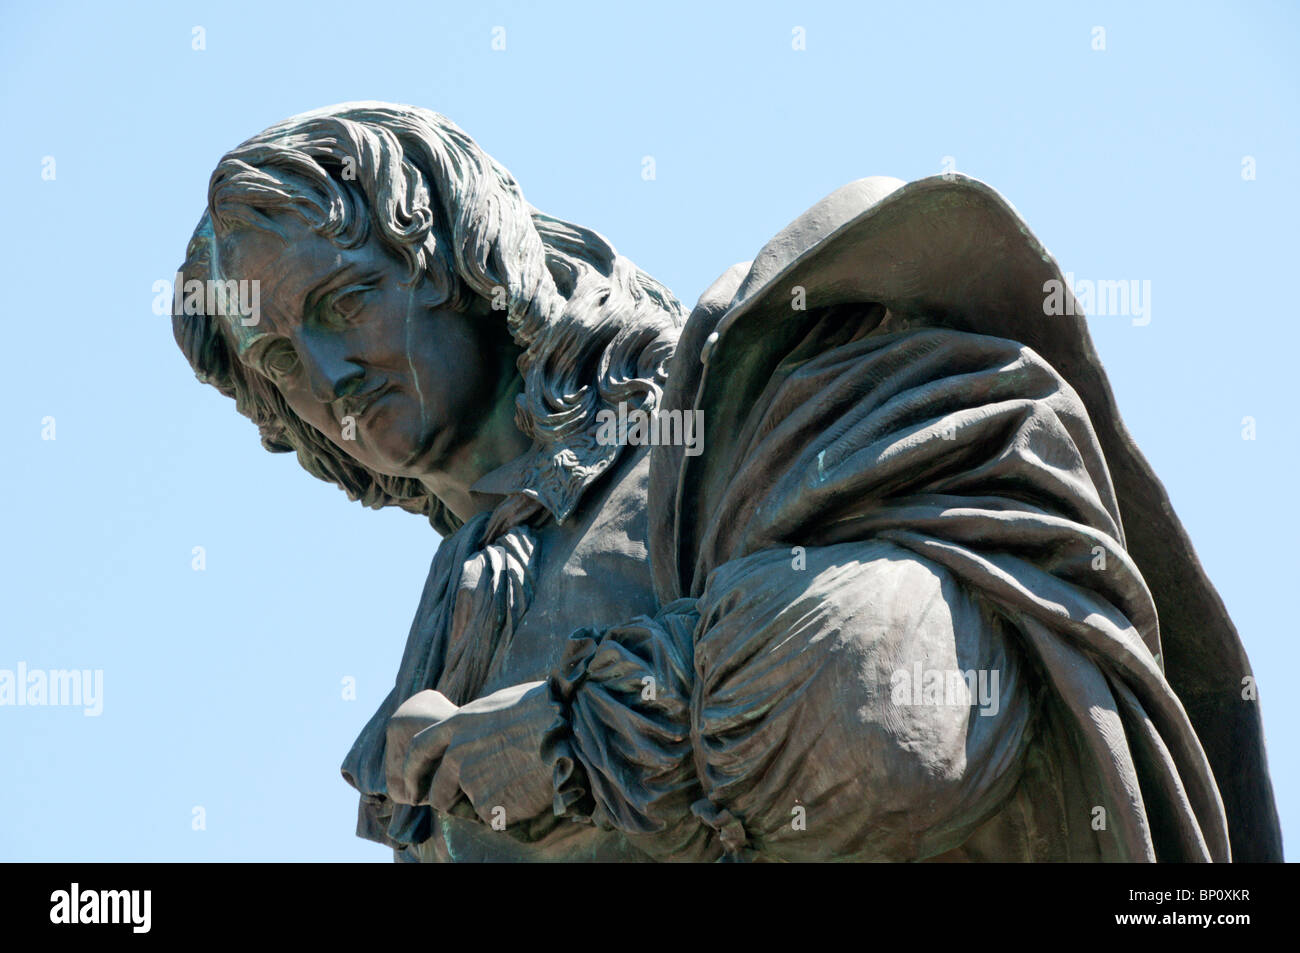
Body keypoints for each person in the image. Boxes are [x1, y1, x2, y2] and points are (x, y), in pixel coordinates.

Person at [173, 102, 1281, 862]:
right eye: (276, 362)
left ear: (453, 258)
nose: (326, 376)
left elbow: (898, 696)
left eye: (342, 302)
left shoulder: (750, 401)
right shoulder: (451, 631)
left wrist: (580, 735)